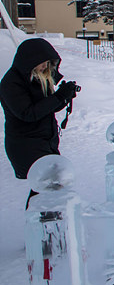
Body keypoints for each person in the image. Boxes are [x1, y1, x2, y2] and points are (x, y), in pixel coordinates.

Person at [0, 38, 78, 208]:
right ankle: (42, 226)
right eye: (42, 63)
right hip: (25, 143)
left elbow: (46, 109)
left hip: (44, 141)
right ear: (29, 60)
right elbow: (28, 113)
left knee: (50, 185)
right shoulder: (11, 83)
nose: (45, 67)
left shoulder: (38, 78)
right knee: (48, 184)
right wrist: (57, 97)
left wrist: (65, 97)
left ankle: (48, 224)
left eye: (48, 63)